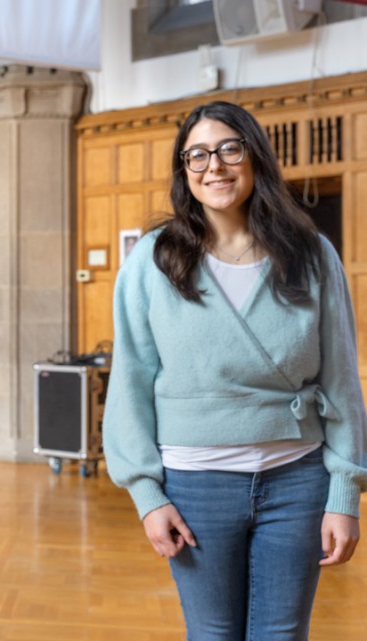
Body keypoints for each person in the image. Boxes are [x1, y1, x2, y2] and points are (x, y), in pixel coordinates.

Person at [104, 100, 366, 641]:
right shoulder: (154, 261)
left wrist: (346, 493)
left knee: (282, 634)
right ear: (184, 171)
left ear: (254, 157)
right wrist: (147, 497)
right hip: (195, 485)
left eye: (229, 148)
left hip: (297, 478)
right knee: (212, 634)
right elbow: (129, 384)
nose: (214, 166)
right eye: (196, 155)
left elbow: (342, 380)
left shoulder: (311, 254)